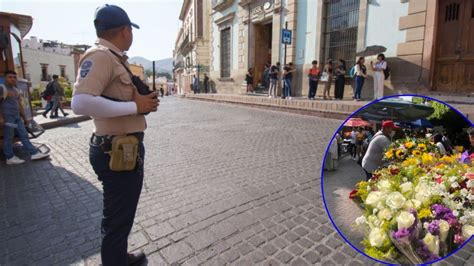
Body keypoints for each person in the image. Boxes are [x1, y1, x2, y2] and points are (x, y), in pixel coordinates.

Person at [71, 4, 159, 265]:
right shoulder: (100, 56)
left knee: (121, 213)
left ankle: (118, 255)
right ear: (124, 30)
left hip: (124, 149)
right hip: (116, 150)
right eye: (131, 30)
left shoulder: (115, 57)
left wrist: (141, 100)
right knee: (117, 216)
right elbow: (80, 103)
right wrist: (136, 106)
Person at [1, 70, 50, 164]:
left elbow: (19, 104)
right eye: (10, 77)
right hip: (8, 117)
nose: (12, 79)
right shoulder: (2, 88)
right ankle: (9, 157)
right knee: (9, 137)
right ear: (5, 78)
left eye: (14, 77)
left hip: (16, 117)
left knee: (24, 134)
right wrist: (1, 118)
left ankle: (34, 153)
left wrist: (24, 117)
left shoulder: (15, 90)